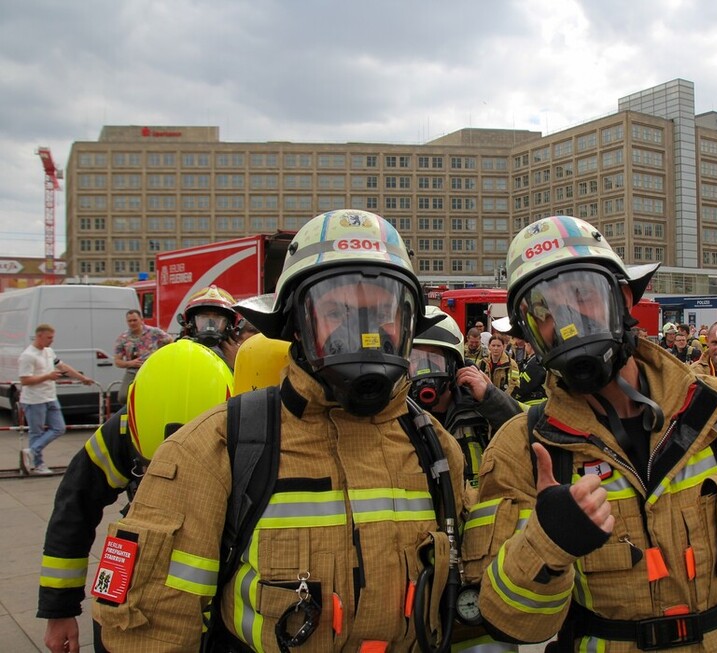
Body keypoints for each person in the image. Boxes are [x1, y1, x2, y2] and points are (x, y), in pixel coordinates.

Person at [93, 209, 468, 651]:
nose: (365, 332)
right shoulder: (217, 448)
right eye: (335, 310)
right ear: (294, 324)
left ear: (408, 323)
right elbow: (151, 633)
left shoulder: (435, 446)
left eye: (382, 310)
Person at [461, 216, 717, 650]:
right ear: (528, 335)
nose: (567, 322)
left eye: (582, 295)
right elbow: (510, 621)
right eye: (543, 311)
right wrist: (548, 543)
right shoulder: (521, 448)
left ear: (621, 299)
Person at [37, 340, 234, 653]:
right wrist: (58, 608)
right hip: (130, 572)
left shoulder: (248, 425)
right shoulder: (125, 427)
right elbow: (75, 506)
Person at [408, 306, 521, 491]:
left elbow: (523, 433)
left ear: (454, 364)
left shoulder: (480, 409)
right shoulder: (398, 417)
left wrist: (491, 397)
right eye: (415, 358)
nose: (423, 366)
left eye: (434, 357)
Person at [19, 324, 94, 475]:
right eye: (49, 338)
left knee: (59, 427)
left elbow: (62, 366)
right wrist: (47, 376)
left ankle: (31, 452)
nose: (51, 341)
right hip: (34, 399)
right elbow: (25, 380)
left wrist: (82, 378)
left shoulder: (48, 351)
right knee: (36, 432)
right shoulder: (28, 355)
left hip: (50, 396)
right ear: (39, 336)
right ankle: (38, 464)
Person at [112, 309, 172, 404]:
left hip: (152, 369)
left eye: (135, 320)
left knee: (155, 395)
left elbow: (170, 341)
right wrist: (130, 363)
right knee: (123, 396)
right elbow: (117, 361)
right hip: (133, 370)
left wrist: (160, 356)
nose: (132, 323)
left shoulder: (154, 332)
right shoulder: (123, 338)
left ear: (141, 319)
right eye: (129, 321)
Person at [177, 284, 241, 370]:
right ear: (190, 323)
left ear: (230, 325)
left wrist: (238, 364)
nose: (210, 324)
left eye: (218, 318)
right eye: (203, 317)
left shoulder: (241, 355)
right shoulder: (177, 352)